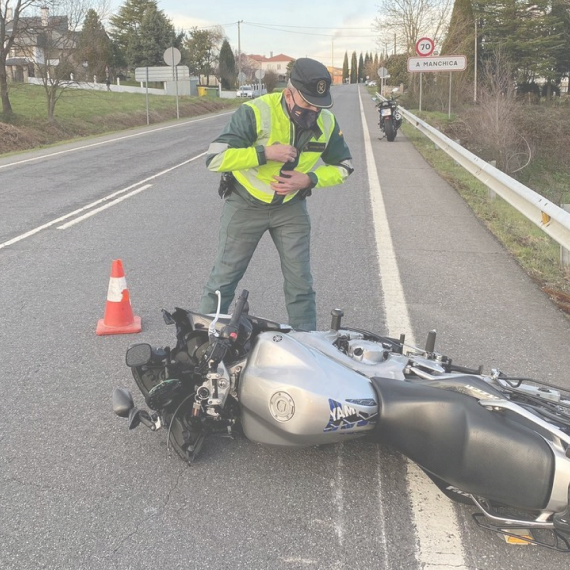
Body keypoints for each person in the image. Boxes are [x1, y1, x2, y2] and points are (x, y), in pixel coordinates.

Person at [199, 57, 353, 330]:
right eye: (306, 103)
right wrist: (264, 153)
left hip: (290, 209)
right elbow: (214, 159)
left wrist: (309, 179)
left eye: (318, 106)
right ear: (288, 93)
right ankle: (205, 343)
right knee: (223, 280)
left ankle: (308, 346)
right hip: (245, 206)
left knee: (300, 284)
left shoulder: (327, 123)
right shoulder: (255, 112)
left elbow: (344, 167)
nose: (313, 111)